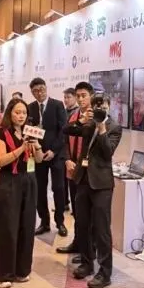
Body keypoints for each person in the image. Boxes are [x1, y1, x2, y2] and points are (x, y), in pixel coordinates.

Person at [66, 82, 123, 288]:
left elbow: (107, 153)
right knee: (82, 224)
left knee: (101, 229)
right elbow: (67, 130)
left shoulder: (115, 127)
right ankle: (87, 263)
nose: (100, 109)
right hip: (82, 180)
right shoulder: (87, 122)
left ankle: (105, 272)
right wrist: (83, 120)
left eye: (103, 106)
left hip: (101, 185)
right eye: (97, 105)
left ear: (109, 106)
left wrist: (101, 128)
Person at [0, 98, 40, 288]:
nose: (21, 116)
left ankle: (21, 270)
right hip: (9, 182)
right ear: (10, 113)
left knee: (26, 226)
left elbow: (39, 159)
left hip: (29, 180)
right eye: (17, 112)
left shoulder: (29, 132)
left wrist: (37, 145)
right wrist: (21, 148)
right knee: (7, 227)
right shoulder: (1, 132)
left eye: (24, 113)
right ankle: (2, 274)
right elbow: (1, 160)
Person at [26, 77, 69, 237]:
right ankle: (44, 222)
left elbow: (63, 130)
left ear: (46, 88)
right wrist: (37, 148)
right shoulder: (30, 108)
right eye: (36, 91)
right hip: (38, 155)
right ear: (32, 92)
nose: (39, 93)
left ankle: (60, 222)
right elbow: (28, 130)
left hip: (55, 155)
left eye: (41, 89)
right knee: (39, 189)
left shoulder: (57, 105)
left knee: (58, 188)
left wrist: (53, 151)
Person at [56, 86, 87, 259]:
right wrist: (67, 159)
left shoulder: (96, 119)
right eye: (78, 96)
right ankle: (77, 242)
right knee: (76, 211)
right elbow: (65, 140)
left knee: (86, 213)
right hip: (72, 170)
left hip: (87, 173)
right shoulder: (73, 117)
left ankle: (87, 249)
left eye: (84, 96)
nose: (80, 99)